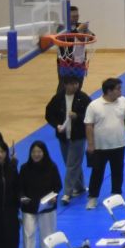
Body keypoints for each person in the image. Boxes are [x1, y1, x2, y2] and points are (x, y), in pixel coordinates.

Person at [82, 74, 125, 207]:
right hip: (100, 147)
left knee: (118, 171)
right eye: (118, 89)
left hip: (119, 144)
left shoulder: (123, 101)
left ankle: (117, 194)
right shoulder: (94, 105)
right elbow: (89, 125)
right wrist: (91, 144)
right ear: (109, 91)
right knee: (97, 172)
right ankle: (93, 197)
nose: (121, 91)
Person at [17, 141, 61, 248]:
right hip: (29, 207)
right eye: (33, 152)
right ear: (30, 153)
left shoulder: (52, 167)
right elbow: (20, 188)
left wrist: (54, 197)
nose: (36, 154)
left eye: (39, 152)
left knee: (47, 235)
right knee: (28, 235)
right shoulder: (24, 168)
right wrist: (22, 197)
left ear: (44, 152)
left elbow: (57, 186)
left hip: (46, 207)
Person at [44, 74, 87, 205]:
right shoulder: (58, 98)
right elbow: (49, 114)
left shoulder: (83, 98)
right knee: (71, 162)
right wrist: (56, 125)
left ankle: (67, 193)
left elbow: (90, 114)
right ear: (65, 85)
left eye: (76, 83)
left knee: (72, 164)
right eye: (72, 84)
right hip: (63, 137)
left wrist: (77, 116)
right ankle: (80, 187)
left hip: (78, 136)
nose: (75, 86)